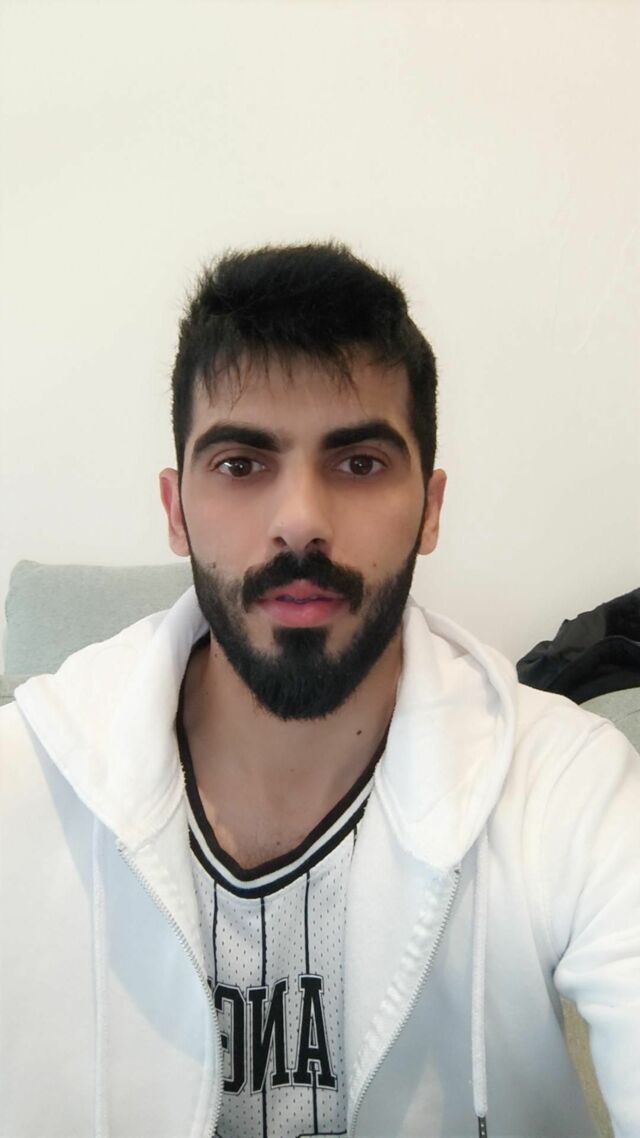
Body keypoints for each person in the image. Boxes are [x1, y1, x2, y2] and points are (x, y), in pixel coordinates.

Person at [1, 243, 638, 1138]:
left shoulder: (566, 785)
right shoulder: (23, 779)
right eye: (240, 464)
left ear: (432, 507)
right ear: (176, 511)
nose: (300, 520)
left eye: (360, 463)